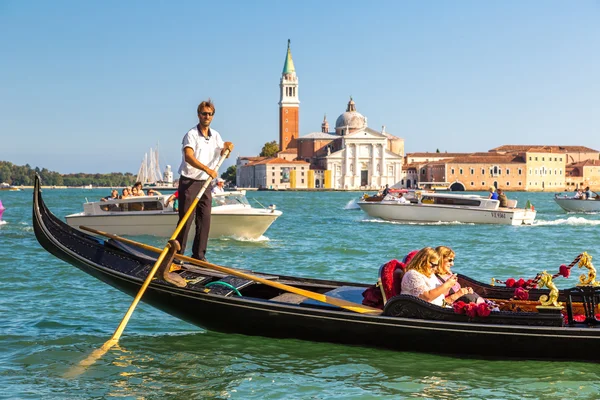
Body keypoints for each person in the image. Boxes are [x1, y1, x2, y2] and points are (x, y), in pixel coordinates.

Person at [175, 99, 234, 261]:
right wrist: (207, 169)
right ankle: (177, 257)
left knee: (205, 220)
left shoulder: (215, 135)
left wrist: (227, 147)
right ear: (198, 115)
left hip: (206, 184)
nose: (206, 116)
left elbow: (223, 150)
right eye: (204, 113)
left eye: (209, 114)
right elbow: (188, 156)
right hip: (189, 182)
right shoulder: (191, 135)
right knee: (186, 221)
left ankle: (199, 257)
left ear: (213, 116)